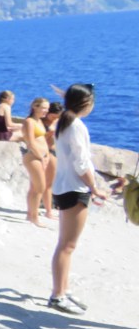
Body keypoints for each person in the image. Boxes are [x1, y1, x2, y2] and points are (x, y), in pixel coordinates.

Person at [48, 83, 107, 315]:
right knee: (67, 245)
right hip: (75, 189)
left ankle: (63, 289)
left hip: (64, 186)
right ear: (86, 103)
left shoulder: (66, 121)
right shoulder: (75, 125)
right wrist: (94, 187)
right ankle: (58, 295)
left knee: (65, 244)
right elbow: (81, 163)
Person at [20, 97, 52, 227]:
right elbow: (31, 142)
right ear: (35, 107)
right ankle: (34, 217)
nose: (46, 111)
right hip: (33, 157)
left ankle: (30, 215)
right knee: (40, 187)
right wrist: (41, 157)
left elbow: (42, 140)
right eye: (44, 108)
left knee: (34, 187)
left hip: (41, 156)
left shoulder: (39, 121)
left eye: (47, 109)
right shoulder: (29, 122)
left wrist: (47, 155)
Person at [41, 102, 63, 219]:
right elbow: (39, 139)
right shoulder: (40, 122)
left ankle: (50, 207)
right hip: (46, 152)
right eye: (53, 116)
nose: (55, 119)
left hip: (57, 152)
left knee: (53, 182)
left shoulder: (59, 122)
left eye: (57, 117)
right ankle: (48, 211)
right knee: (47, 183)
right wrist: (50, 132)